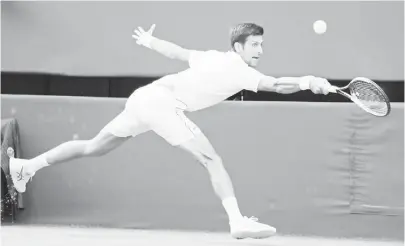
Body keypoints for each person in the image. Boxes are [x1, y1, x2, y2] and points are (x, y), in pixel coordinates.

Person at [9, 23, 331, 239]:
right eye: (255, 45)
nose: (260, 50)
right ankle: (237, 221)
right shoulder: (238, 69)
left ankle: (26, 166)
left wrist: (149, 41)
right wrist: (307, 82)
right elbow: (275, 85)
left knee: (95, 146)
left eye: (262, 44)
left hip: (143, 98)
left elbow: (177, 53)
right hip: (163, 103)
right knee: (212, 159)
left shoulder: (212, 57)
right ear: (239, 47)